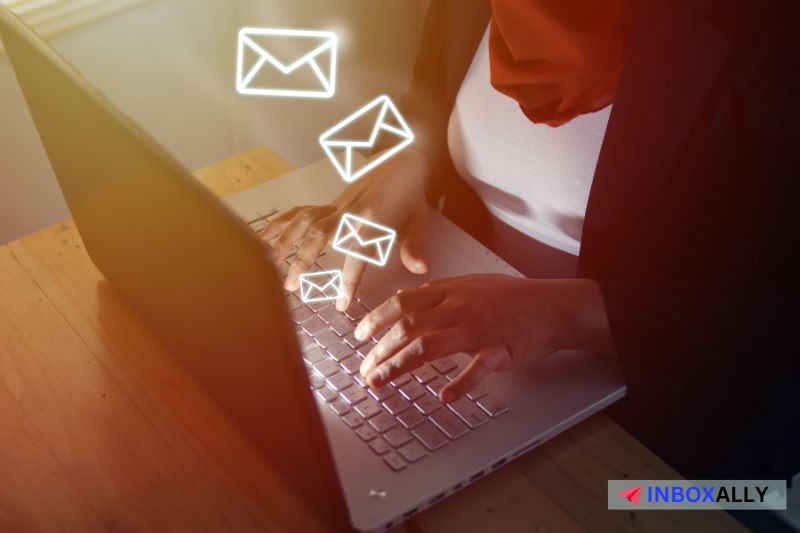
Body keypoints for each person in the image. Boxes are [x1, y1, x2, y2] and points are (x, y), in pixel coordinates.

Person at [262, 0, 800, 494]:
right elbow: (427, 94)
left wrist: (564, 313)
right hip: (472, 367)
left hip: (664, 436)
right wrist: (409, 158)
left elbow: (773, 320)